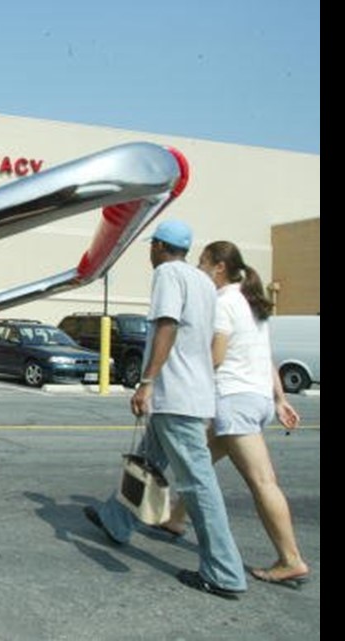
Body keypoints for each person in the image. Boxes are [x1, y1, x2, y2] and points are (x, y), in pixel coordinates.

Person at [82, 219, 248, 600]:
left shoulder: (169, 275)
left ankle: (223, 571)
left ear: (158, 247)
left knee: (198, 483)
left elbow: (167, 327)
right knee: (147, 462)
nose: (150, 252)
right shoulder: (202, 281)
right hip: (190, 393)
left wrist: (147, 381)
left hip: (175, 396)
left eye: (151, 245)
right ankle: (116, 520)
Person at [154, 240, 310, 588]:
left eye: (203, 262)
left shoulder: (224, 302)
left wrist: (188, 380)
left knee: (262, 482)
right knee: (198, 463)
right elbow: (265, 355)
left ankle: (290, 559)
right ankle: (176, 518)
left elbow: (217, 356)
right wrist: (280, 399)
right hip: (255, 400)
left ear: (219, 267)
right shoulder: (251, 303)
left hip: (234, 402)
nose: (199, 268)